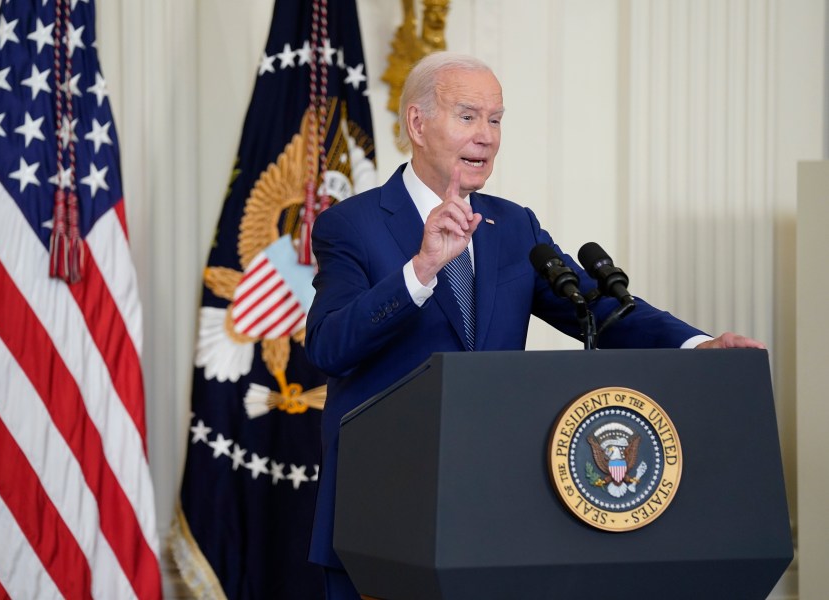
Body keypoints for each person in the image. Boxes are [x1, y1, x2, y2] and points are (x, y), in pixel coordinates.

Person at [304, 51, 764, 599]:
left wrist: (699, 344)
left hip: (495, 517)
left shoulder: (511, 225)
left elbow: (600, 310)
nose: (488, 136)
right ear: (417, 124)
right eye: (469, 116)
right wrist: (421, 270)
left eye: (496, 120)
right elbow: (328, 346)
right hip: (384, 519)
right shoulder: (350, 225)